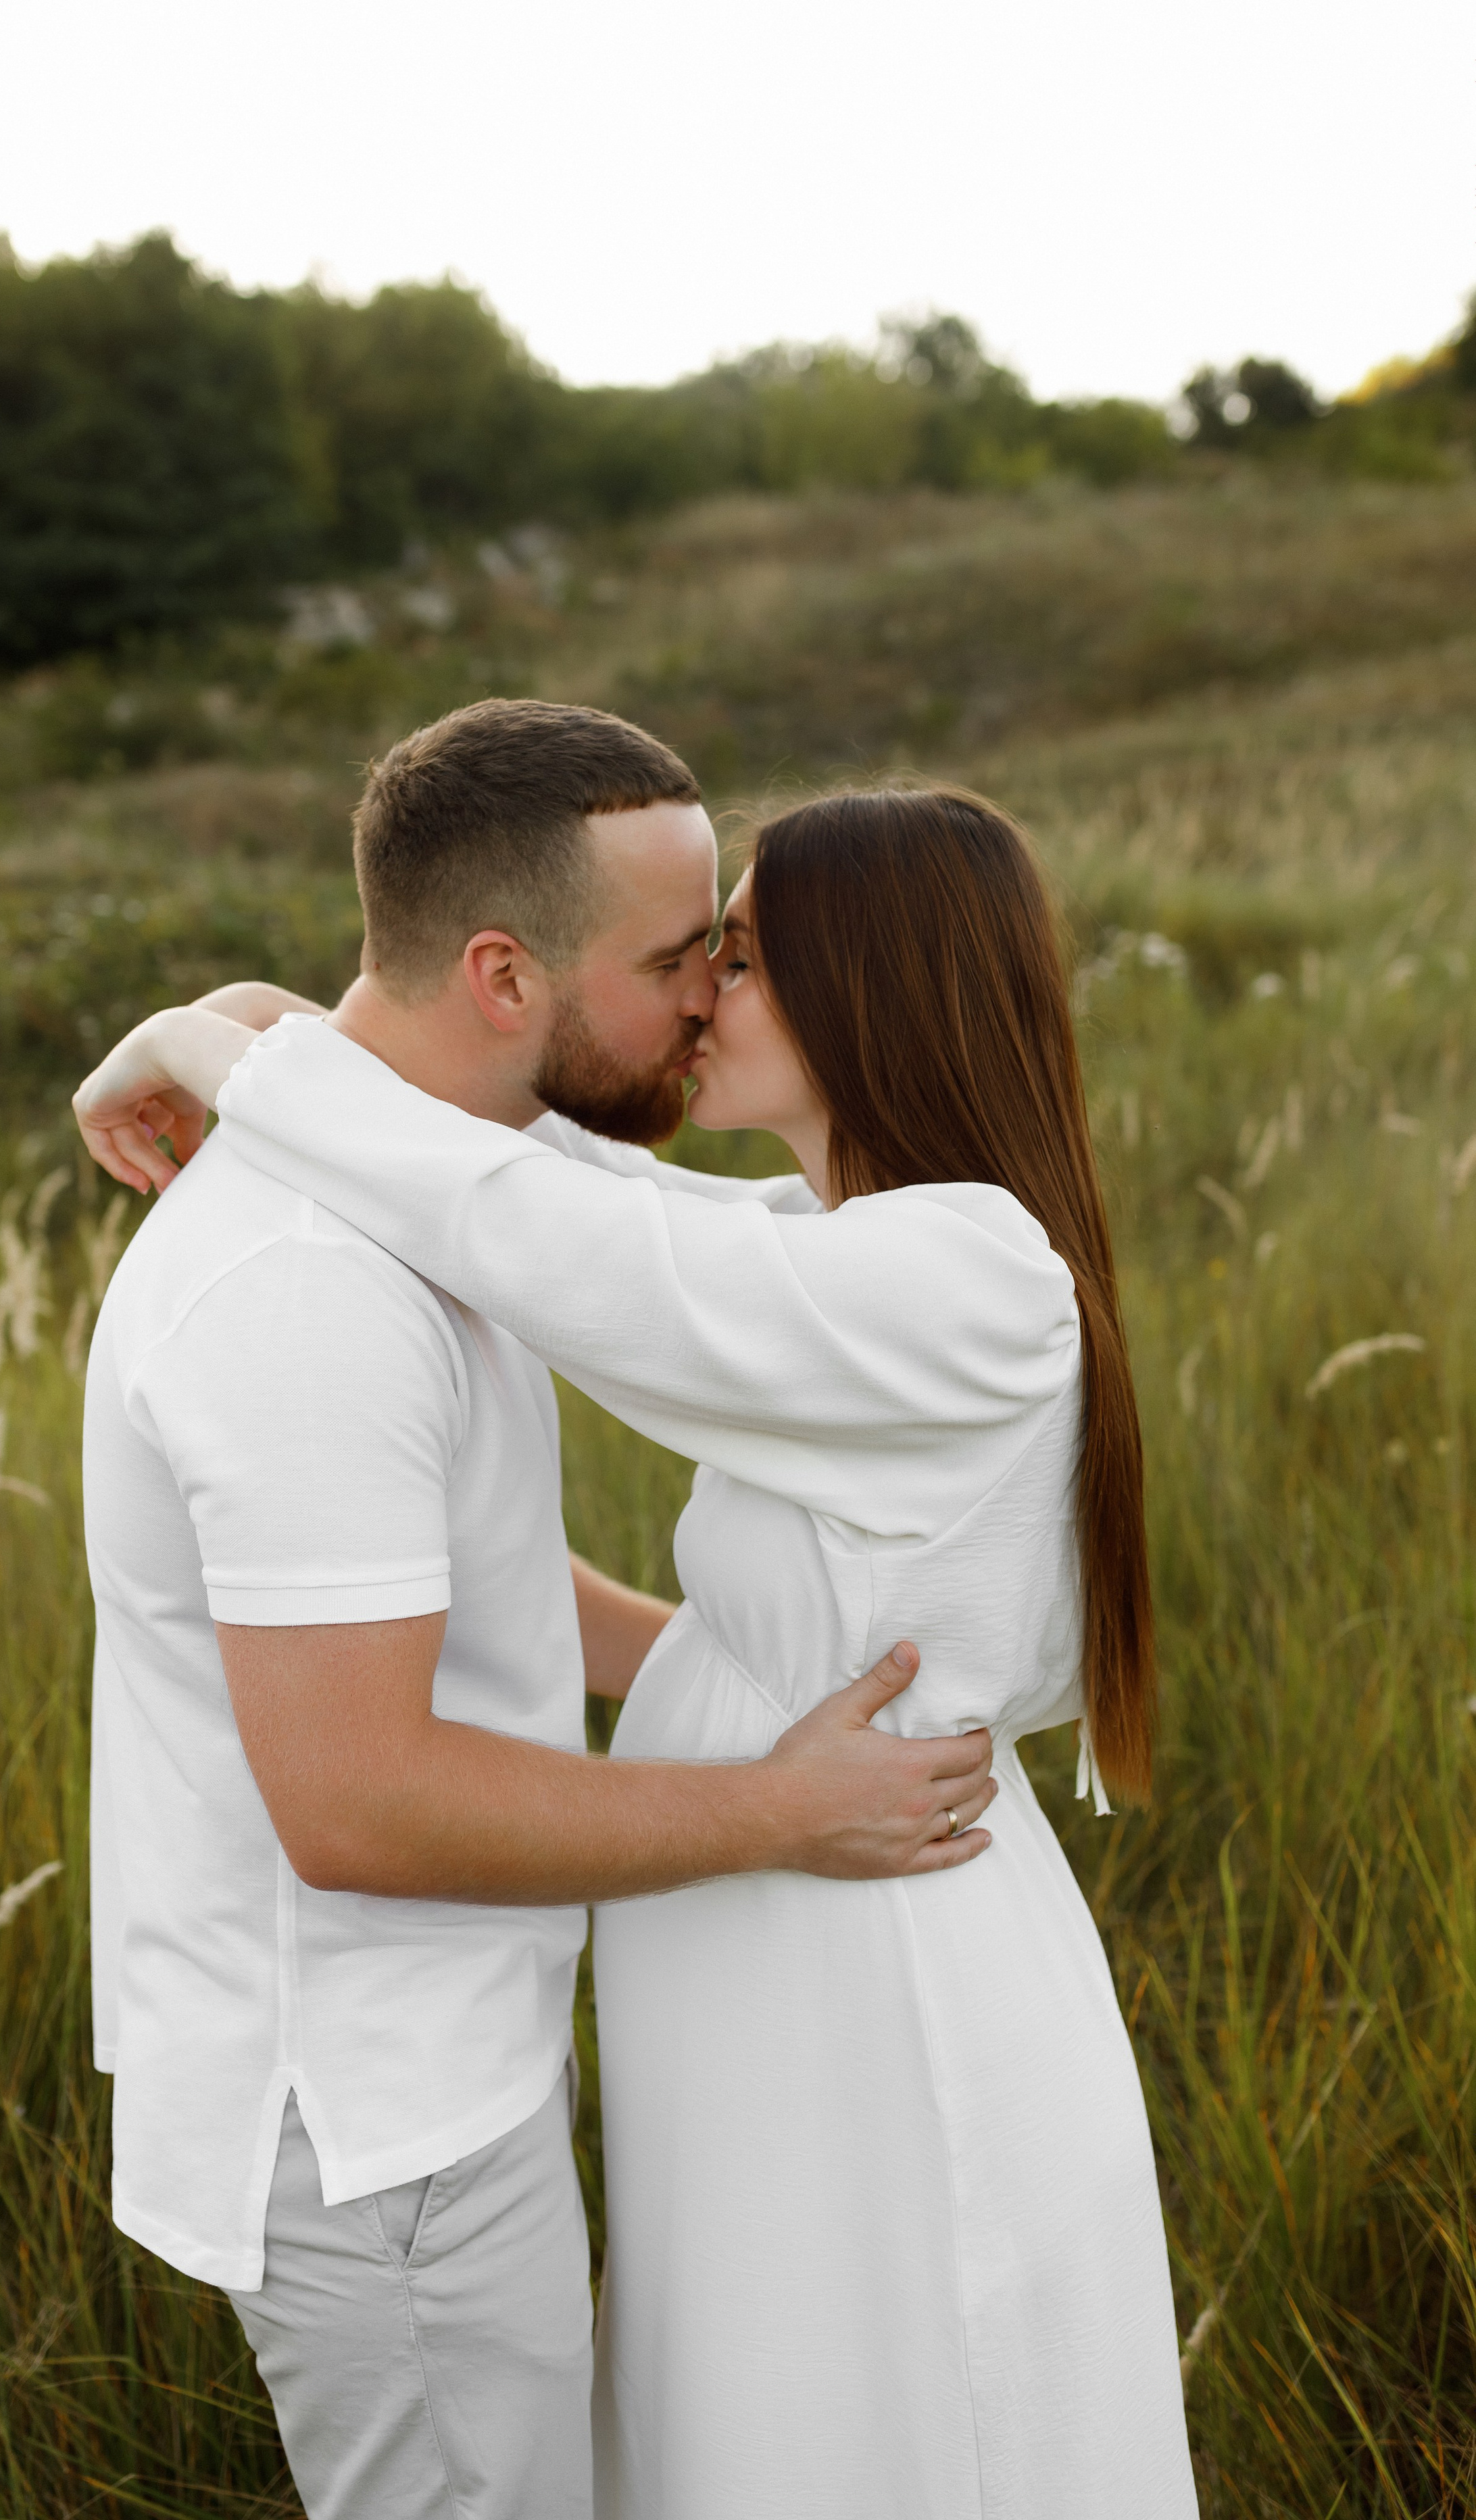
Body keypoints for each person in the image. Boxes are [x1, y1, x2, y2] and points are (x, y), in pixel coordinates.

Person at [76, 780, 1201, 2518]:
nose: (698, 997)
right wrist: (231, 1025)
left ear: (868, 993)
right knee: (755, 2428)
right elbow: (526, 1161)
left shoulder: (954, 1278)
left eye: (734, 956)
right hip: (769, 1945)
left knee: (891, 2431)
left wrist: (226, 1052)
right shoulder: (830, 1244)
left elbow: (540, 1223)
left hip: (871, 1969)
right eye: (696, 950)